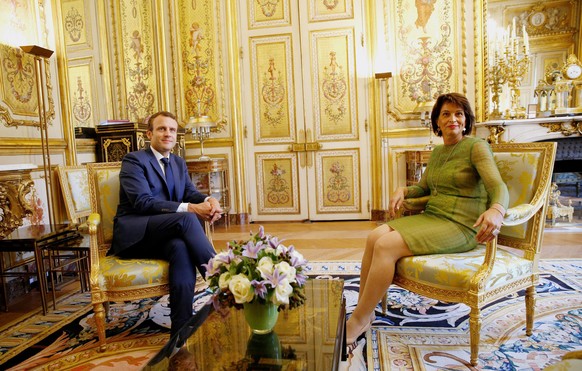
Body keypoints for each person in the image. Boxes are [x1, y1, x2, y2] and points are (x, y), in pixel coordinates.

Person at [346, 93, 509, 346]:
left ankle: (359, 319)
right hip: (434, 217)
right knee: (374, 237)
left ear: (466, 121)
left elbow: (498, 185)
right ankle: (364, 310)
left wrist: (496, 210)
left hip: (462, 226)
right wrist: (403, 190)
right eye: (446, 114)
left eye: (458, 114)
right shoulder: (437, 153)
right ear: (437, 122)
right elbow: (423, 188)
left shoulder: (476, 147)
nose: (452, 119)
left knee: (385, 245)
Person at [110, 110, 222, 339]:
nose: (167, 133)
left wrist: (208, 201)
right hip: (137, 234)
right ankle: (221, 280)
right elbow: (142, 202)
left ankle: (181, 331)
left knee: (180, 249)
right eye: (162, 129)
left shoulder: (178, 163)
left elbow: (189, 192)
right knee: (187, 217)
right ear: (149, 134)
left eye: (172, 130)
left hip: (166, 233)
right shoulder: (134, 160)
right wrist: (191, 209)